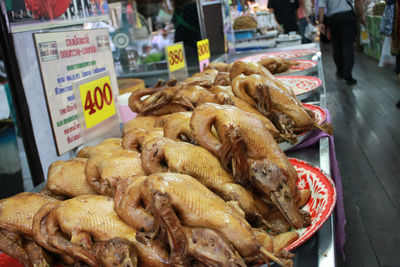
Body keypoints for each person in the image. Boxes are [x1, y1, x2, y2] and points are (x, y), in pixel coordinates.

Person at [318, 0, 365, 85]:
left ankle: (340, 71)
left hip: (334, 19)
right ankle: (348, 74)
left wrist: (321, 22)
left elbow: (321, 6)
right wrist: (362, 14)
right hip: (348, 16)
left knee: (337, 46)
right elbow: (358, 1)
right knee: (348, 46)